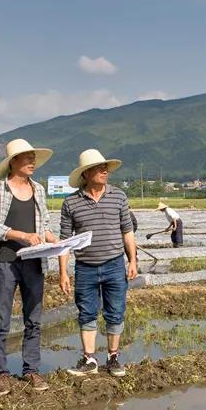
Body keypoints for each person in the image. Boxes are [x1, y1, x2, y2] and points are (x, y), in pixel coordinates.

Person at [0, 139, 57, 396]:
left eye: (33, 158)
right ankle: (0, 374)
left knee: (33, 319)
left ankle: (31, 370)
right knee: (2, 319)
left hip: (33, 262)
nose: (31, 162)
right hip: (6, 261)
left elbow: (44, 225)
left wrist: (58, 241)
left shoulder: (39, 189)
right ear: (12, 162)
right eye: (26, 158)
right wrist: (23, 235)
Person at [59, 149, 138, 377]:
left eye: (106, 168)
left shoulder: (119, 196)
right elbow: (66, 241)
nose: (105, 171)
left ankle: (113, 357)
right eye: (99, 168)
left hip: (114, 264)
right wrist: (63, 272)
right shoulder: (71, 203)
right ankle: (89, 359)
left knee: (115, 312)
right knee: (87, 312)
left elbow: (127, 231)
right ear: (85, 174)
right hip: (85, 267)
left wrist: (132, 260)